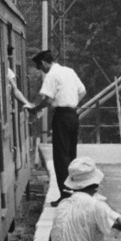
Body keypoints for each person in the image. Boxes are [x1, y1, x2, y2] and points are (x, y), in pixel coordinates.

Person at [27, 49, 85, 193]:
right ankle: (73, 189)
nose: (42, 71)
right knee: (72, 154)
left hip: (61, 116)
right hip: (73, 115)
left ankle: (65, 193)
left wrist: (35, 109)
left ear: (43, 63)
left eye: (41, 68)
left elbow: (48, 99)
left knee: (60, 156)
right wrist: (72, 102)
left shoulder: (52, 75)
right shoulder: (69, 71)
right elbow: (83, 91)